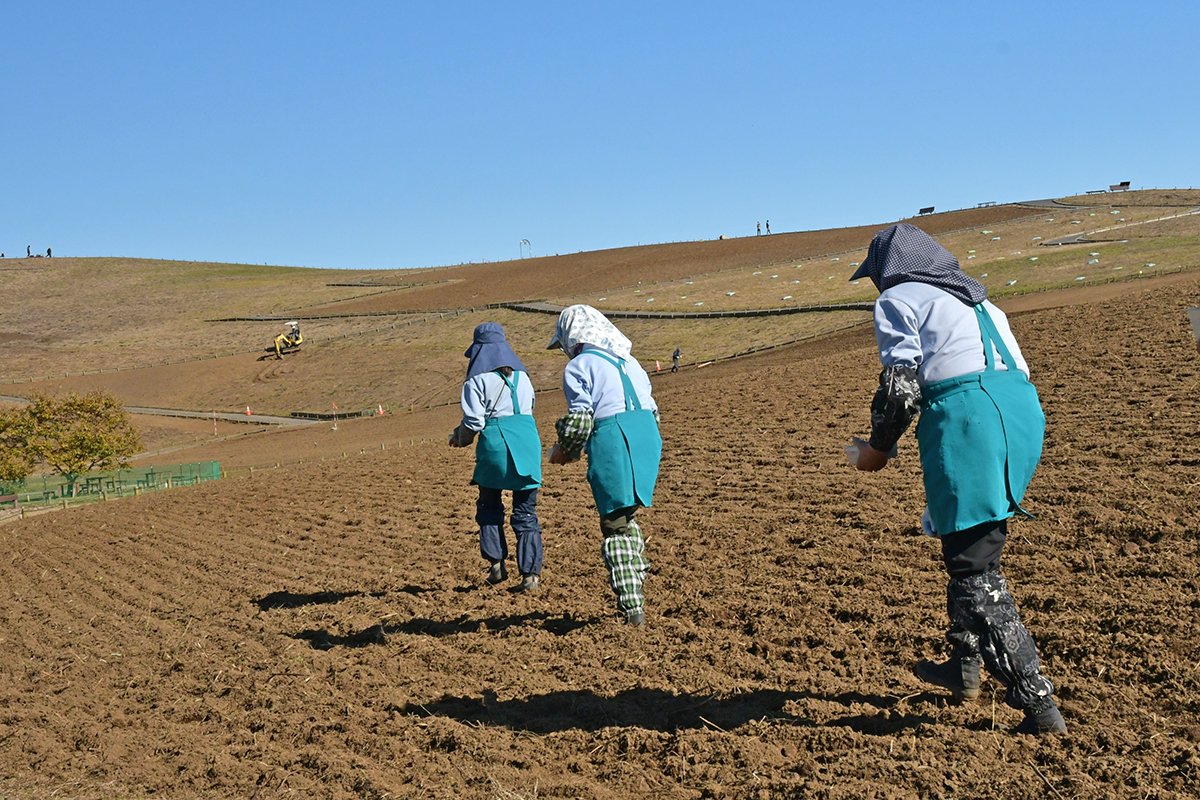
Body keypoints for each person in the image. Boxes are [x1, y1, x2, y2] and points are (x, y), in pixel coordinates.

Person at [847, 223, 1066, 735]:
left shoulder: (899, 298)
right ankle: (964, 666)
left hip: (968, 416)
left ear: (889, 270)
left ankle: (1037, 705)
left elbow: (901, 390)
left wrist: (876, 451)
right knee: (974, 538)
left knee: (973, 567)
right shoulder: (984, 303)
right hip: (1020, 413)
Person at [547, 305, 662, 625]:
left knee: (614, 523)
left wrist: (565, 451)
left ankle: (632, 607)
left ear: (572, 340)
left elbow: (580, 420)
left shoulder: (579, 367)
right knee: (627, 513)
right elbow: (653, 410)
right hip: (647, 436)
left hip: (614, 437)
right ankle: (636, 570)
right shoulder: (631, 362)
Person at [448, 323, 544, 591]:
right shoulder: (523, 377)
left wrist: (459, 437)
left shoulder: (476, 380)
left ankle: (496, 565)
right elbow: (530, 407)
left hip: (496, 444)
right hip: (527, 441)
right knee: (526, 511)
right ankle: (531, 576)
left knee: (489, 506)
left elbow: (474, 423)